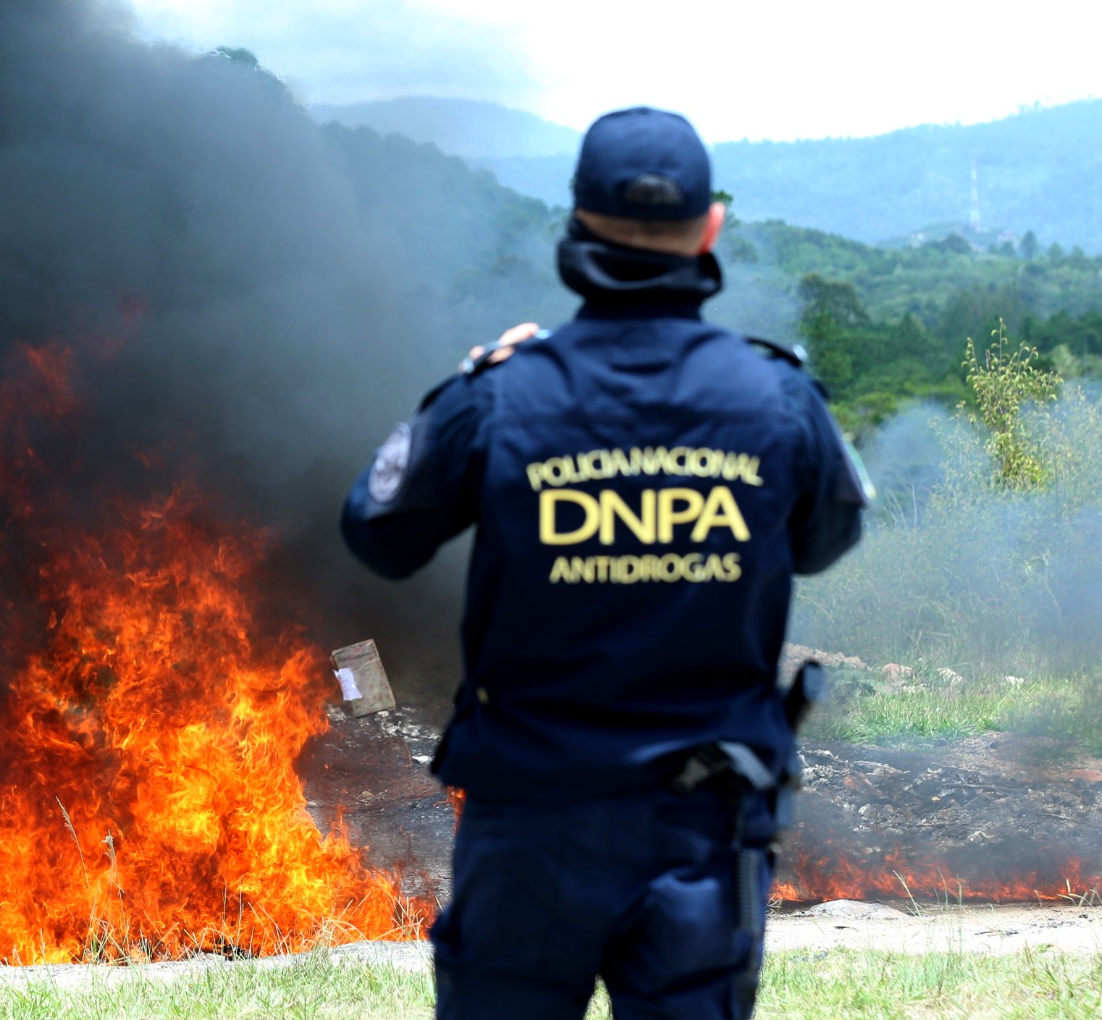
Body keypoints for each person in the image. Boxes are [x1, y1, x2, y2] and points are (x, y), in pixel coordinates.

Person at [341, 106, 867, 1020]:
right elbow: (828, 541)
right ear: (710, 229)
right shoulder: (778, 398)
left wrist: (469, 386)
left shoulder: (501, 395)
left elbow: (376, 531)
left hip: (529, 826)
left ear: (577, 224)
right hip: (701, 838)